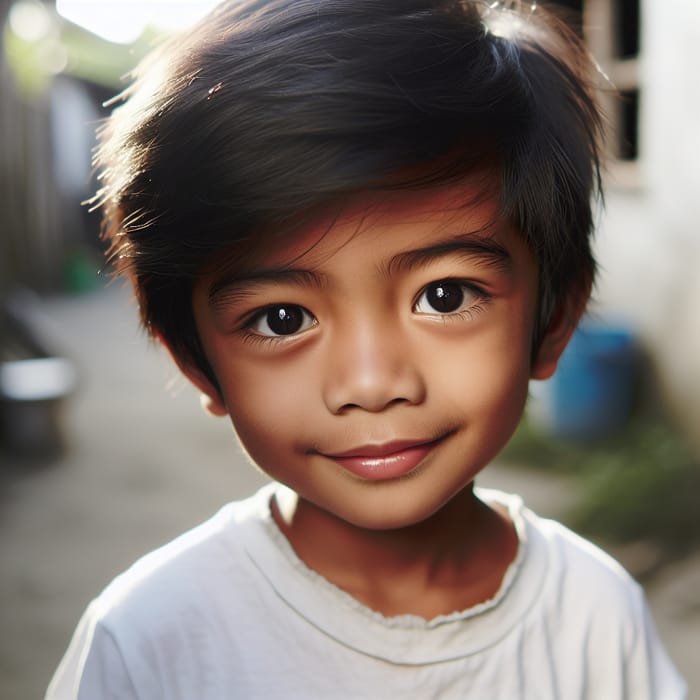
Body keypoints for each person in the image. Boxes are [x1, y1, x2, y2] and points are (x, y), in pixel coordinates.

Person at [47, 1, 686, 697]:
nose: (373, 382)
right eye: (283, 318)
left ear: (555, 317)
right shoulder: (151, 640)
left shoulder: (594, 615)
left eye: (444, 297)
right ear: (194, 359)